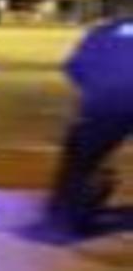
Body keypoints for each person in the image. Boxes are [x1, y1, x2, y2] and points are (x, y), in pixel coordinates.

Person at [44, 15, 133, 237]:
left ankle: (67, 219)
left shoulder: (107, 29)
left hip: (103, 105)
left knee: (80, 162)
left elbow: (74, 67)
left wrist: (97, 89)